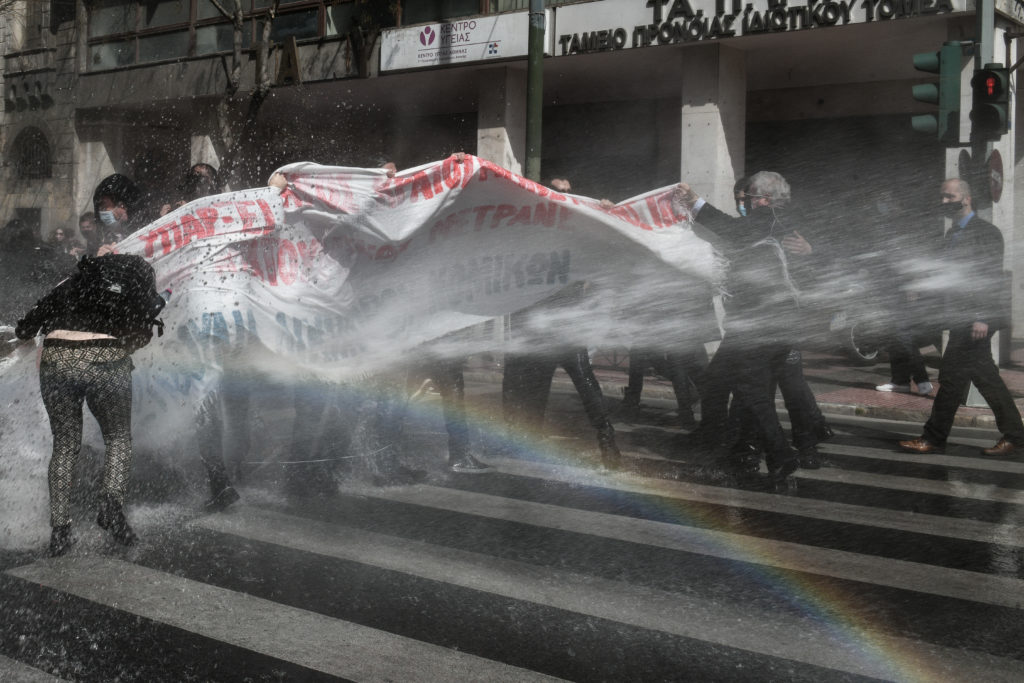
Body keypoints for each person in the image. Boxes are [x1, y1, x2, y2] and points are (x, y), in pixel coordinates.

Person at [15, 249, 165, 556]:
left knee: (65, 444)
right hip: (105, 357)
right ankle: (111, 508)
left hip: (56, 357)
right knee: (118, 437)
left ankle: (59, 531)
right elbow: (139, 335)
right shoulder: (132, 286)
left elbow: (25, 328)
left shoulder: (72, 283)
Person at [675, 172, 805, 487]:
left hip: (763, 325)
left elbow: (731, 230)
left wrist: (694, 202)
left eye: (747, 197)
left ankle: (781, 454)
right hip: (766, 323)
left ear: (764, 199)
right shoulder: (781, 222)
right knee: (716, 381)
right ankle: (717, 439)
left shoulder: (769, 219)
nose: (743, 202)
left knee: (755, 393)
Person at [899, 178, 1024, 456]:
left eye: (949, 196)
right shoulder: (951, 234)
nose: (944, 202)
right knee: (982, 377)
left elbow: (989, 276)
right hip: (959, 317)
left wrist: (982, 316)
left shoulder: (986, 232)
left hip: (976, 318)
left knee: (953, 379)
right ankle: (1015, 435)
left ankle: (933, 438)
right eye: (942, 197)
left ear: (966, 199)